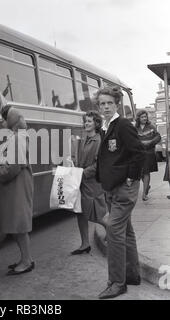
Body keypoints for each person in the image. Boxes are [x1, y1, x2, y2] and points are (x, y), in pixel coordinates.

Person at [95, 86, 145, 299]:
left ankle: (117, 282)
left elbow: (139, 153)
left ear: (116, 105)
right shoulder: (105, 127)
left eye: (109, 103)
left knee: (114, 231)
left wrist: (131, 177)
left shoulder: (123, 125)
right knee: (126, 231)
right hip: (111, 187)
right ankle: (132, 274)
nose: (105, 107)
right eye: (102, 104)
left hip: (124, 188)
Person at [0, 106, 34, 275]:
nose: (2, 122)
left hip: (17, 186)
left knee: (19, 226)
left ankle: (27, 261)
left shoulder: (17, 138)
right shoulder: (18, 136)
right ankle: (24, 259)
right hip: (18, 185)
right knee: (17, 225)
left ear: (12, 120)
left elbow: (13, 167)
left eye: (4, 119)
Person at [71, 111, 107, 255]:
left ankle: (113, 233)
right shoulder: (84, 139)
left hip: (92, 184)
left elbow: (99, 165)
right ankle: (85, 244)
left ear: (96, 124)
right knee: (80, 213)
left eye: (90, 121)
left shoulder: (98, 141)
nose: (86, 123)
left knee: (97, 215)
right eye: (85, 121)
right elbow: (78, 159)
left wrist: (82, 173)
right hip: (81, 181)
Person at [135, 109, 161, 201]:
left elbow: (158, 137)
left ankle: (144, 194)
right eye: (142, 117)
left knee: (146, 172)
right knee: (141, 173)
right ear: (138, 118)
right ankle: (147, 186)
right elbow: (131, 139)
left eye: (145, 116)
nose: (144, 118)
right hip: (138, 154)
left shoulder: (151, 126)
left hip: (148, 154)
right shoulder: (135, 128)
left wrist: (150, 142)